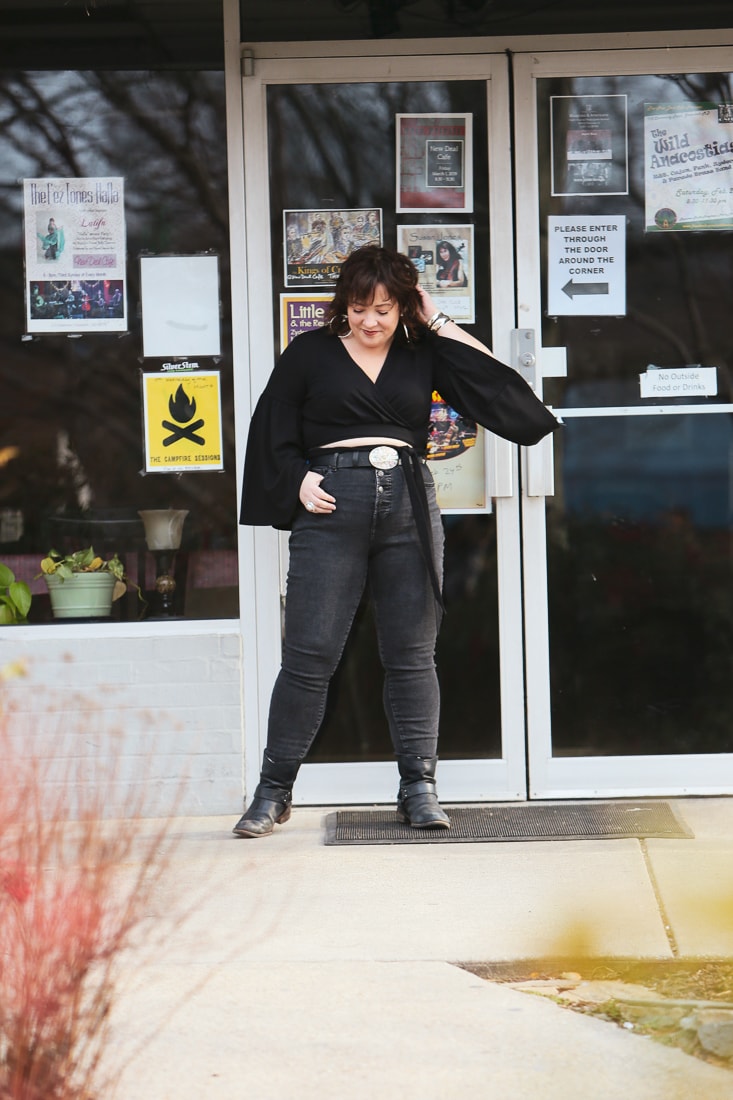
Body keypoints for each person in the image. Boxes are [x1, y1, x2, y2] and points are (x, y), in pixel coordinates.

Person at [234, 245, 558, 838]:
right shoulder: (309, 353)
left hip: (408, 503)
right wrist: (296, 480)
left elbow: (505, 393)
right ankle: (273, 792)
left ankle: (419, 788)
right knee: (309, 657)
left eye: (385, 308)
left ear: (403, 305)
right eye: (360, 308)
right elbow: (269, 431)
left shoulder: (422, 351)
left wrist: (437, 322)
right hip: (333, 506)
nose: (371, 321)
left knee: (412, 655)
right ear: (344, 306)